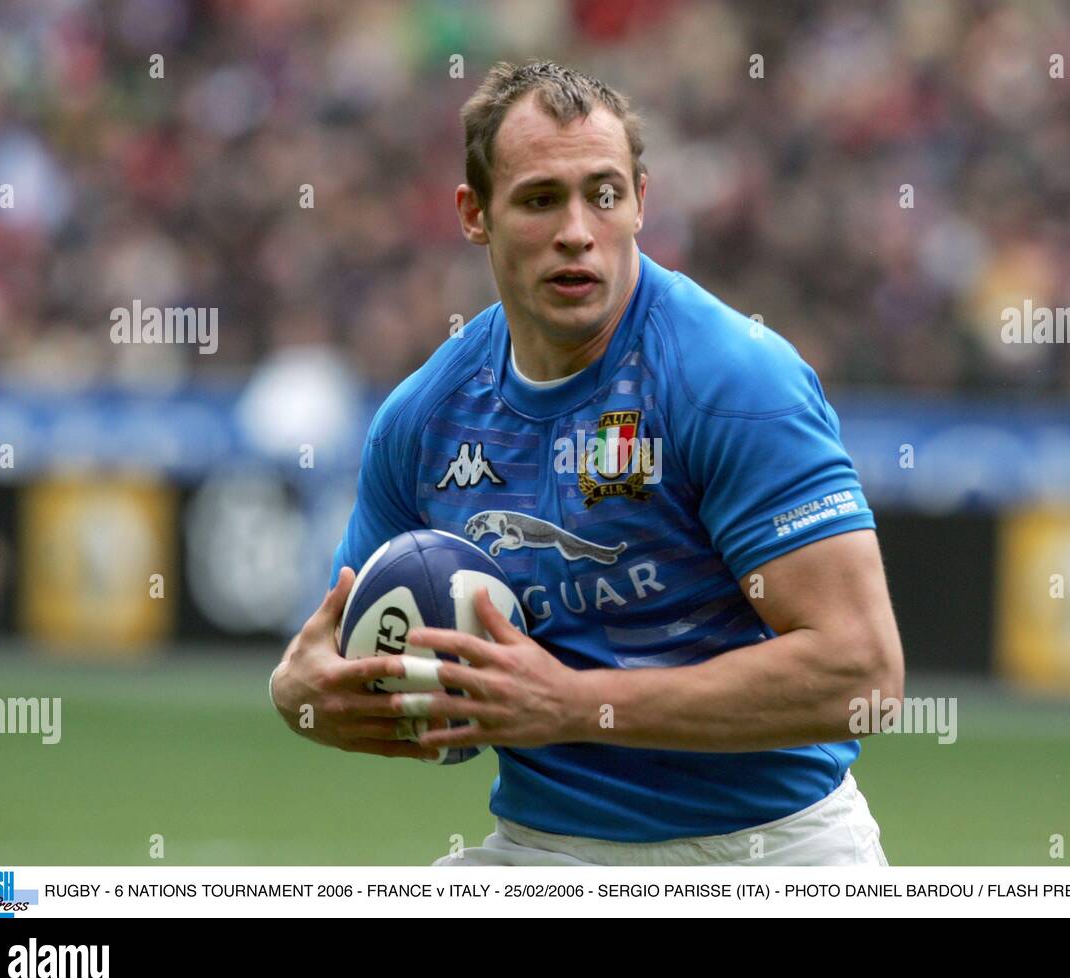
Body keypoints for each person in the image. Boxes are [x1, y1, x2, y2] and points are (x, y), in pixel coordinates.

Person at [269, 59, 904, 866]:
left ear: (641, 200)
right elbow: (341, 650)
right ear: (474, 214)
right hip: (545, 852)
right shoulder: (424, 419)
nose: (578, 228)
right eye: (540, 198)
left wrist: (570, 703)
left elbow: (863, 676)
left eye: (603, 194)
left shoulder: (734, 379)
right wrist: (300, 697)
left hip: (773, 854)